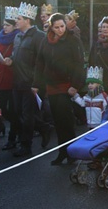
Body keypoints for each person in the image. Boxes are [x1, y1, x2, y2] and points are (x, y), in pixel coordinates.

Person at [33, 13, 85, 165]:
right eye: (57, 27)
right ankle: (62, 152)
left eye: (62, 26)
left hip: (66, 85)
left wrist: (75, 85)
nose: (60, 29)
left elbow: (79, 63)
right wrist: (36, 84)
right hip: (52, 85)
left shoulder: (73, 40)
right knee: (58, 121)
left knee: (67, 122)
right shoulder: (46, 41)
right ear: (51, 27)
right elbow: (40, 63)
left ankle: (71, 153)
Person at [4, 3, 51, 157]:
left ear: (27, 20)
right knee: (17, 113)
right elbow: (17, 55)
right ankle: (43, 128)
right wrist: (10, 60)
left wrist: (37, 83)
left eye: (18, 18)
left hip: (30, 82)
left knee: (27, 115)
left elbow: (43, 61)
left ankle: (26, 145)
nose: (15, 21)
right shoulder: (18, 36)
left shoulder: (39, 37)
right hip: (17, 81)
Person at [0, 7, 19, 147]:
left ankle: (12, 137)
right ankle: (4, 126)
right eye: (4, 25)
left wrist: (11, 60)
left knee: (14, 110)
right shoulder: (0, 37)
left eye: (8, 25)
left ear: (14, 26)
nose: (5, 27)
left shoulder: (17, 37)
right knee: (0, 107)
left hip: (12, 77)